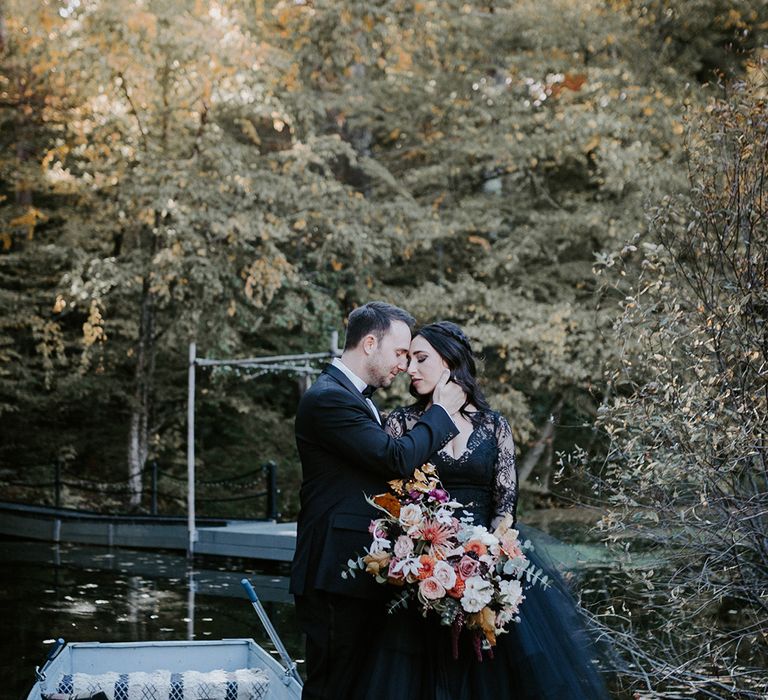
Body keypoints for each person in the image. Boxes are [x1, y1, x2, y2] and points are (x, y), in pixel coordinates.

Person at [356, 321, 611, 700]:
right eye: (407, 359)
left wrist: (491, 566)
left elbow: (504, 507)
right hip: (424, 568)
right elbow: (395, 498)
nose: (410, 369)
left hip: (487, 568)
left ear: (451, 362)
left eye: (421, 359)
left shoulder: (495, 426)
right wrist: (430, 558)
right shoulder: (402, 422)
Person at [290, 303, 467, 700]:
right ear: (370, 343)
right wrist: (441, 412)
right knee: (332, 689)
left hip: (357, 572)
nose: (404, 365)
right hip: (333, 572)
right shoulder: (328, 399)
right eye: (401, 352)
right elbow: (396, 459)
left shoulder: (357, 398)